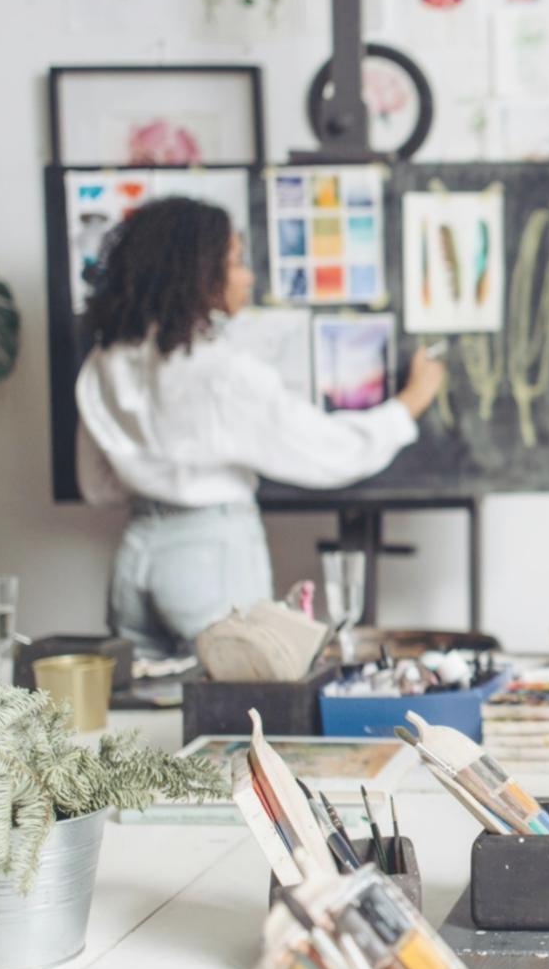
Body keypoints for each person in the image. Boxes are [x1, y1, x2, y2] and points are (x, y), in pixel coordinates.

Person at [75, 197, 445, 658]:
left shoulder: (104, 363)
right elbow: (329, 453)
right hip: (211, 555)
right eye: (235, 261)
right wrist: (410, 402)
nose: (247, 276)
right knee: (236, 711)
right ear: (198, 272)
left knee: (138, 724)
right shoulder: (221, 373)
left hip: (136, 554)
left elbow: (97, 485)